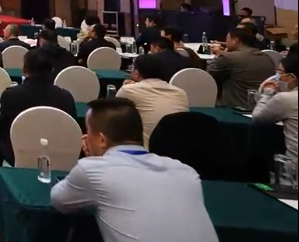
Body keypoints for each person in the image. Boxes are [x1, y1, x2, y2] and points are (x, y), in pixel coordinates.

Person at [50, 98, 218, 242]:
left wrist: (91, 160)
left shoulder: (92, 170)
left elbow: (59, 200)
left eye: (88, 132)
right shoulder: (186, 172)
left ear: (101, 140)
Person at [0, 49, 76, 165]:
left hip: (16, 155)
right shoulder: (66, 97)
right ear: (52, 70)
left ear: (24, 69)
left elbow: (4, 127)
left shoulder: (10, 95)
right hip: (59, 157)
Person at [117, 53, 190, 148]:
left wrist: (127, 87)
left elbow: (115, 119)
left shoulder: (128, 90)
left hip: (148, 150)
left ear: (137, 73)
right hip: (181, 150)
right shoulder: (180, 92)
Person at [207, 27, 275, 108]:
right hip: (263, 107)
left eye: (227, 39)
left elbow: (208, 76)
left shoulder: (228, 58)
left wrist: (218, 55)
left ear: (236, 40)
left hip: (236, 107)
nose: (226, 42)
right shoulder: (266, 57)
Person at [252, 46, 298, 164]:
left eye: (281, 73)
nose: (278, 77)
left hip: (293, 167)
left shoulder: (286, 98)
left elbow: (258, 118)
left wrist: (268, 93)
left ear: (292, 77)